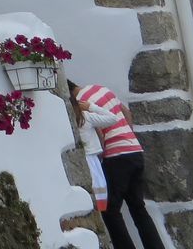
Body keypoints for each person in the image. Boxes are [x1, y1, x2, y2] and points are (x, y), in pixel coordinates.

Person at [70, 80, 167, 249]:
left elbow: (98, 130)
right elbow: (126, 112)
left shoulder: (80, 102)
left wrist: (104, 153)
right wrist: (127, 137)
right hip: (135, 151)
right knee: (138, 208)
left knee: (110, 211)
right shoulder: (102, 89)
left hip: (116, 157)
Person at [70, 83, 118, 212]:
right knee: (99, 194)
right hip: (92, 159)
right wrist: (91, 106)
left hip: (79, 159)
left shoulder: (71, 119)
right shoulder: (86, 117)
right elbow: (113, 118)